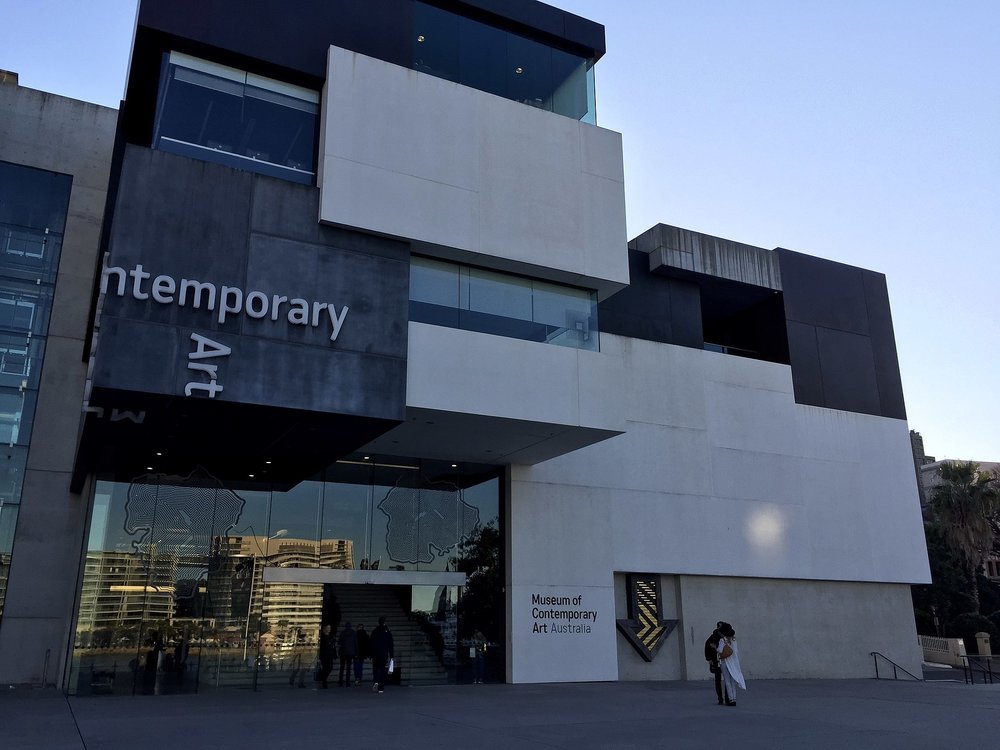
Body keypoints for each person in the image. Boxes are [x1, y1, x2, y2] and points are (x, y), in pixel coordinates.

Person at [716, 622, 746, 706]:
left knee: (727, 681)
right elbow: (736, 651)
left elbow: (720, 650)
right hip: (733, 662)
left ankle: (731, 698)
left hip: (725, 662)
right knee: (732, 681)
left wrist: (716, 648)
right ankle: (734, 698)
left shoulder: (722, 640)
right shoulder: (734, 640)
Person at [369, 616, 394, 694]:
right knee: (382, 670)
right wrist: (391, 655)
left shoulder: (375, 631)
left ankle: (376, 681)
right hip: (384, 653)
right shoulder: (387, 631)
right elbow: (390, 643)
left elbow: (371, 643)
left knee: (375, 669)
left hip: (375, 653)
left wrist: (371, 654)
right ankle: (381, 688)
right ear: (384, 622)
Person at [704, 624, 724, 705]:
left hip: (720, 661)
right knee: (719, 680)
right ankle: (721, 698)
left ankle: (724, 698)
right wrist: (709, 659)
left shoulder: (722, 637)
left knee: (721, 681)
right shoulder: (714, 637)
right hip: (717, 661)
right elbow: (707, 646)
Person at [338, 621, 357, 687]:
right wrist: (356, 652)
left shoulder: (342, 633)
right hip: (350, 653)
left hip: (343, 652)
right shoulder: (353, 633)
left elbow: (339, 642)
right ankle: (347, 682)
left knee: (342, 667)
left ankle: (340, 682)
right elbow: (356, 643)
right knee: (348, 668)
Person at [317, 623, 336, 689]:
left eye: (329, 628)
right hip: (324, 655)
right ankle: (324, 681)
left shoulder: (331, 636)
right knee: (325, 668)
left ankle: (322, 677)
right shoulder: (322, 637)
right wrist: (319, 657)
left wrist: (334, 654)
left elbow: (333, 646)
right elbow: (321, 648)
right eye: (328, 628)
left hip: (330, 655)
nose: (329, 629)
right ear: (324, 629)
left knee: (330, 668)